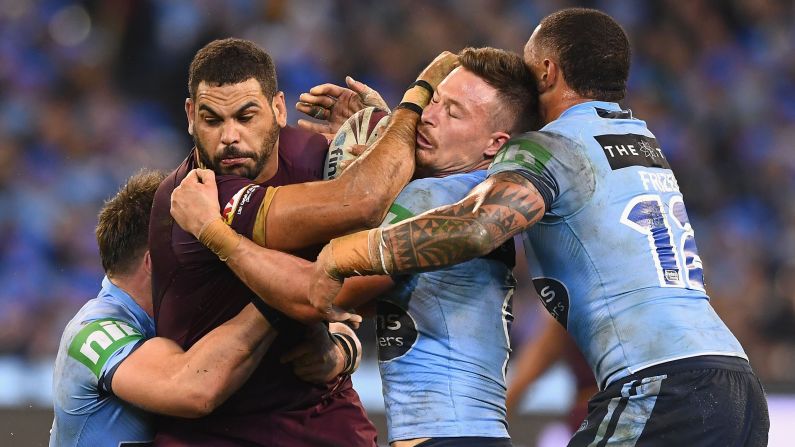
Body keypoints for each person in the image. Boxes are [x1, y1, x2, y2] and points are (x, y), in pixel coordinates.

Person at [307, 8, 770, 446]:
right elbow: (463, 177)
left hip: (662, 386)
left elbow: (473, 226)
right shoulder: (635, 138)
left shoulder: (549, 147)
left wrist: (343, 256)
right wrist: (395, 134)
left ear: (547, 71)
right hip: (735, 384)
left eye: (530, 73)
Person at [150, 37, 457, 446]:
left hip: (322, 419)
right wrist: (409, 110)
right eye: (212, 120)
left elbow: (382, 264)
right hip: (223, 430)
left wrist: (376, 136)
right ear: (190, 116)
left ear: (278, 108)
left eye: (246, 116)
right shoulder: (198, 195)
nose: (229, 137)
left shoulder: (313, 155)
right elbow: (359, 205)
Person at [315, 47, 535, 447]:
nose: (429, 117)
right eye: (433, 101)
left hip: (444, 437)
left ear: (493, 143)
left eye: (453, 113)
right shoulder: (473, 194)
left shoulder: (433, 197)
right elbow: (375, 301)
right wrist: (384, 143)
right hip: (475, 434)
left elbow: (326, 291)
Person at [51, 170, 278, 446]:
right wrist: (274, 295)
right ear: (155, 263)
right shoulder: (92, 331)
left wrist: (342, 346)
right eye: (192, 252)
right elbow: (194, 390)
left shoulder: (166, 321)